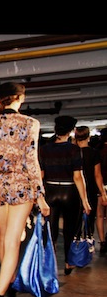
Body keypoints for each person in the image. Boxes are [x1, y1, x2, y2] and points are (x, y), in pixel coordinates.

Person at [0, 82, 51, 297]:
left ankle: (7, 282)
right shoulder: (30, 123)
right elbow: (31, 160)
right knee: (13, 240)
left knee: (3, 237)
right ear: (21, 98)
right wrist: (40, 195)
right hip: (20, 185)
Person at [39, 115, 91, 275]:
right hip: (69, 191)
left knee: (50, 230)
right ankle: (68, 263)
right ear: (71, 131)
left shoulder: (44, 149)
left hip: (50, 190)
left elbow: (41, 175)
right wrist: (85, 200)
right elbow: (78, 177)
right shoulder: (74, 149)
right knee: (69, 229)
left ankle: (50, 263)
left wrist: (38, 196)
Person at [75, 126, 107, 235]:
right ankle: (88, 238)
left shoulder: (73, 152)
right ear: (88, 137)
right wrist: (102, 192)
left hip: (75, 188)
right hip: (91, 188)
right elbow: (97, 175)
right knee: (90, 217)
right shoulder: (94, 153)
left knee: (75, 218)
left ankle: (75, 240)